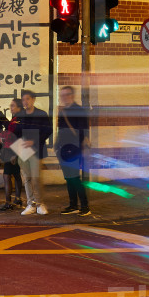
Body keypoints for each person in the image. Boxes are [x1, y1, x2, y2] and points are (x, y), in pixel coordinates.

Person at [10, 89, 52, 216]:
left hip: (36, 150)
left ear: (33, 100)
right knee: (27, 178)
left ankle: (40, 204)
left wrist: (33, 141)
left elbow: (48, 130)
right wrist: (14, 152)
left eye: (28, 99)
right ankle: (31, 204)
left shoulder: (41, 114)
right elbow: (15, 134)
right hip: (23, 151)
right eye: (23, 99)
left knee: (36, 178)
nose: (25, 102)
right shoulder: (20, 115)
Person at [56, 85, 91, 216]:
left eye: (67, 94)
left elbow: (84, 131)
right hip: (64, 149)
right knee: (69, 178)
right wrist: (57, 146)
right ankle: (73, 205)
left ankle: (85, 206)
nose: (64, 97)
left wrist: (83, 147)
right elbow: (60, 131)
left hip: (75, 149)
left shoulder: (79, 110)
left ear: (72, 95)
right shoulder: (63, 111)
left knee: (75, 178)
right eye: (62, 95)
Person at [0, 98, 25, 210]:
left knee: (6, 176)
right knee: (16, 174)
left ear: (19, 108)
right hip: (11, 150)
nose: (11, 107)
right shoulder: (15, 119)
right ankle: (18, 199)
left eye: (13, 106)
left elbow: (20, 137)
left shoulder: (18, 120)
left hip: (13, 151)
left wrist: (16, 154)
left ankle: (8, 202)